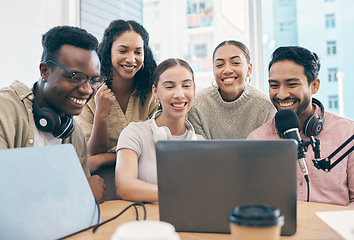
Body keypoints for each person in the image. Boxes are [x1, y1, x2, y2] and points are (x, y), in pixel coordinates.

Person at [0, 26, 107, 203]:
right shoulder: (5, 111)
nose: (87, 90)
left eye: (94, 80)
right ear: (44, 71)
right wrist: (77, 191)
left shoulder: (74, 134)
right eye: (76, 77)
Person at [247, 46, 354, 207]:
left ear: (314, 86)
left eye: (291, 85)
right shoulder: (256, 140)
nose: (281, 95)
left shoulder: (347, 133)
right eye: (274, 86)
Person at [75, 20, 159, 173]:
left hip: (145, 177)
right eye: (123, 50)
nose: (131, 59)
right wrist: (101, 114)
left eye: (138, 52)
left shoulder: (152, 93)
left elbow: (152, 149)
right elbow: (90, 154)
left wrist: (103, 159)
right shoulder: (88, 92)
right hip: (103, 180)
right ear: (109, 51)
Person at [115, 58, 204, 202]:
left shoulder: (201, 144)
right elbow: (124, 186)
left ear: (194, 89)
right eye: (169, 87)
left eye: (186, 85)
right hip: (145, 221)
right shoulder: (134, 133)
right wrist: (176, 193)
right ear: (155, 91)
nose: (179, 94)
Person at [187, 40, 276, 139]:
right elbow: (199, 150)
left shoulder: (266, 106)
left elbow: (268, 151)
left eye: (235, 63)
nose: (227, 70)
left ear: (249, 69)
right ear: (213, 71)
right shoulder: (197, 104)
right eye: (220, 65)